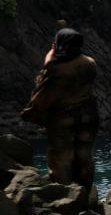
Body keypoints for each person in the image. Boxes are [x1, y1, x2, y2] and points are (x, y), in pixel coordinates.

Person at [21, 28, 98, 197]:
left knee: (62, 159)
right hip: (88, 117)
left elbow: (44, 92)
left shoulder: (57, 67)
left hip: (64, 119)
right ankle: (84, 197)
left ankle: (66, 200)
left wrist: (48, 63)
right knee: (84, 158)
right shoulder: (90, 63)